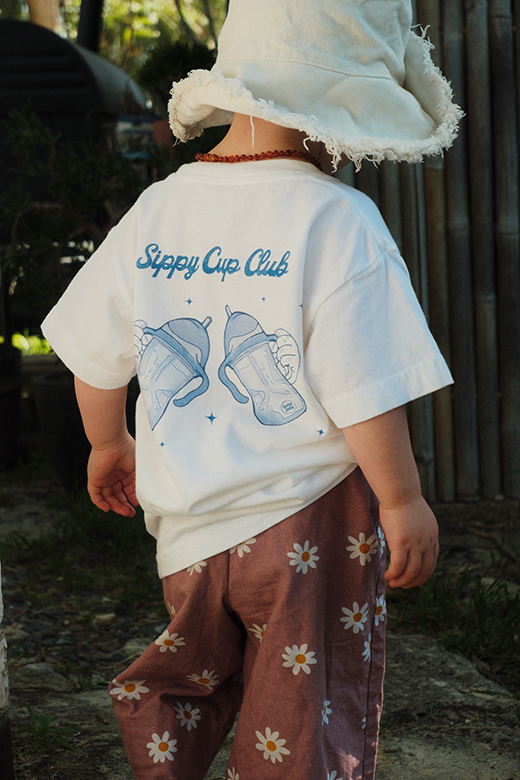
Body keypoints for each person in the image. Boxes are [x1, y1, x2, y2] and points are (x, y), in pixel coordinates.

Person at [41, 1, 462, 778]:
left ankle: (162, 747)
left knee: (189, 672)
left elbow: (92, 353)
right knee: (300, 705)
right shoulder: (340, 219)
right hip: (310, 527)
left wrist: (109, 442)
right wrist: (403, 500)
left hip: (188, 533)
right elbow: (366, 385)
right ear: (338, 112)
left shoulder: (159, 208)